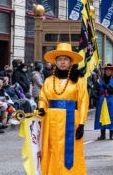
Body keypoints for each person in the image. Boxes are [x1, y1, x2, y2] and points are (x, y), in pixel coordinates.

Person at [36, 43, 89, 174]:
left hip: (71, 120)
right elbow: (43, 98)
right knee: (52, 149)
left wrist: (81, 124)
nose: (62, 62)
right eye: (60, 59)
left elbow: (83, 102)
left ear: (70, 61)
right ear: (55, 61)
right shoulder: (48, 81)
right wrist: (42, 108)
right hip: (51, 122)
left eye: (65, 59)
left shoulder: (78, 81)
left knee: (70, 150)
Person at [93, 64, 113, 140]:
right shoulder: (99, 80)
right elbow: (95, 89)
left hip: (111, 100)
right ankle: (103, 134)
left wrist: (108, 87)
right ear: (104, 71)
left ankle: (111, 134)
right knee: (101, 116)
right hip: (102, 100)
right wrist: (96, 96)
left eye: (110, 70)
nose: (108, 71)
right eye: (107, 70)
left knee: (112, 116)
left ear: (112, 71)